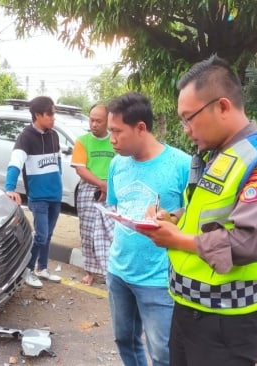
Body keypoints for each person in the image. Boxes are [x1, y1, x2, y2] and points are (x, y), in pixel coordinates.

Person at [140, 55, 257, 366]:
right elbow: (205, 217)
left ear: (223, 106)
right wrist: (172, 220)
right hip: (188, 308)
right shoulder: (215, 154)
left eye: (189, 117)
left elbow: (250, 242)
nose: (185, 129)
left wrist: (176, 240)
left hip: (226, 322)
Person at [105, 92, 191, 366]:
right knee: (125, 341)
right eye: (110, 131)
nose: (112, 139)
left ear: (141, 127)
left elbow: (196, 213)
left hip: (158, 278)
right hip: (119, 271)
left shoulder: (181, 165)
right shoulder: (117, 164)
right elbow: (114, 206)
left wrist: (173, 217)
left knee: (163, 352)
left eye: (117, 131)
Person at [4, 96, 63, 288]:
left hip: (55, 195)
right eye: (50, 113)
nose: (54, 117)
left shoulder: (54, 135)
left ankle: (42, 268)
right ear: (38, 115)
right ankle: (28, 270)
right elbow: (15, 164)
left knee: (49, 235)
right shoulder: (26, 137)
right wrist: (9, 188)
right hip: (38, 197)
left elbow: (58, 162)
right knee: (41, 235)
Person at [70, 104, 116, 286]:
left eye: (99, 121)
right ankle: (90, 272)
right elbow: (81, 169)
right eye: (92, 120)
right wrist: (101, 184)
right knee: (88, 232)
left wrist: (108, 187)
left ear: (107, 121)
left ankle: (110, 271)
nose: (94, 124)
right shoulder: (82, 141)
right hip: (89, 190)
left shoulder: (115, 140)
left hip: (113, 190)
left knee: (111, 233)